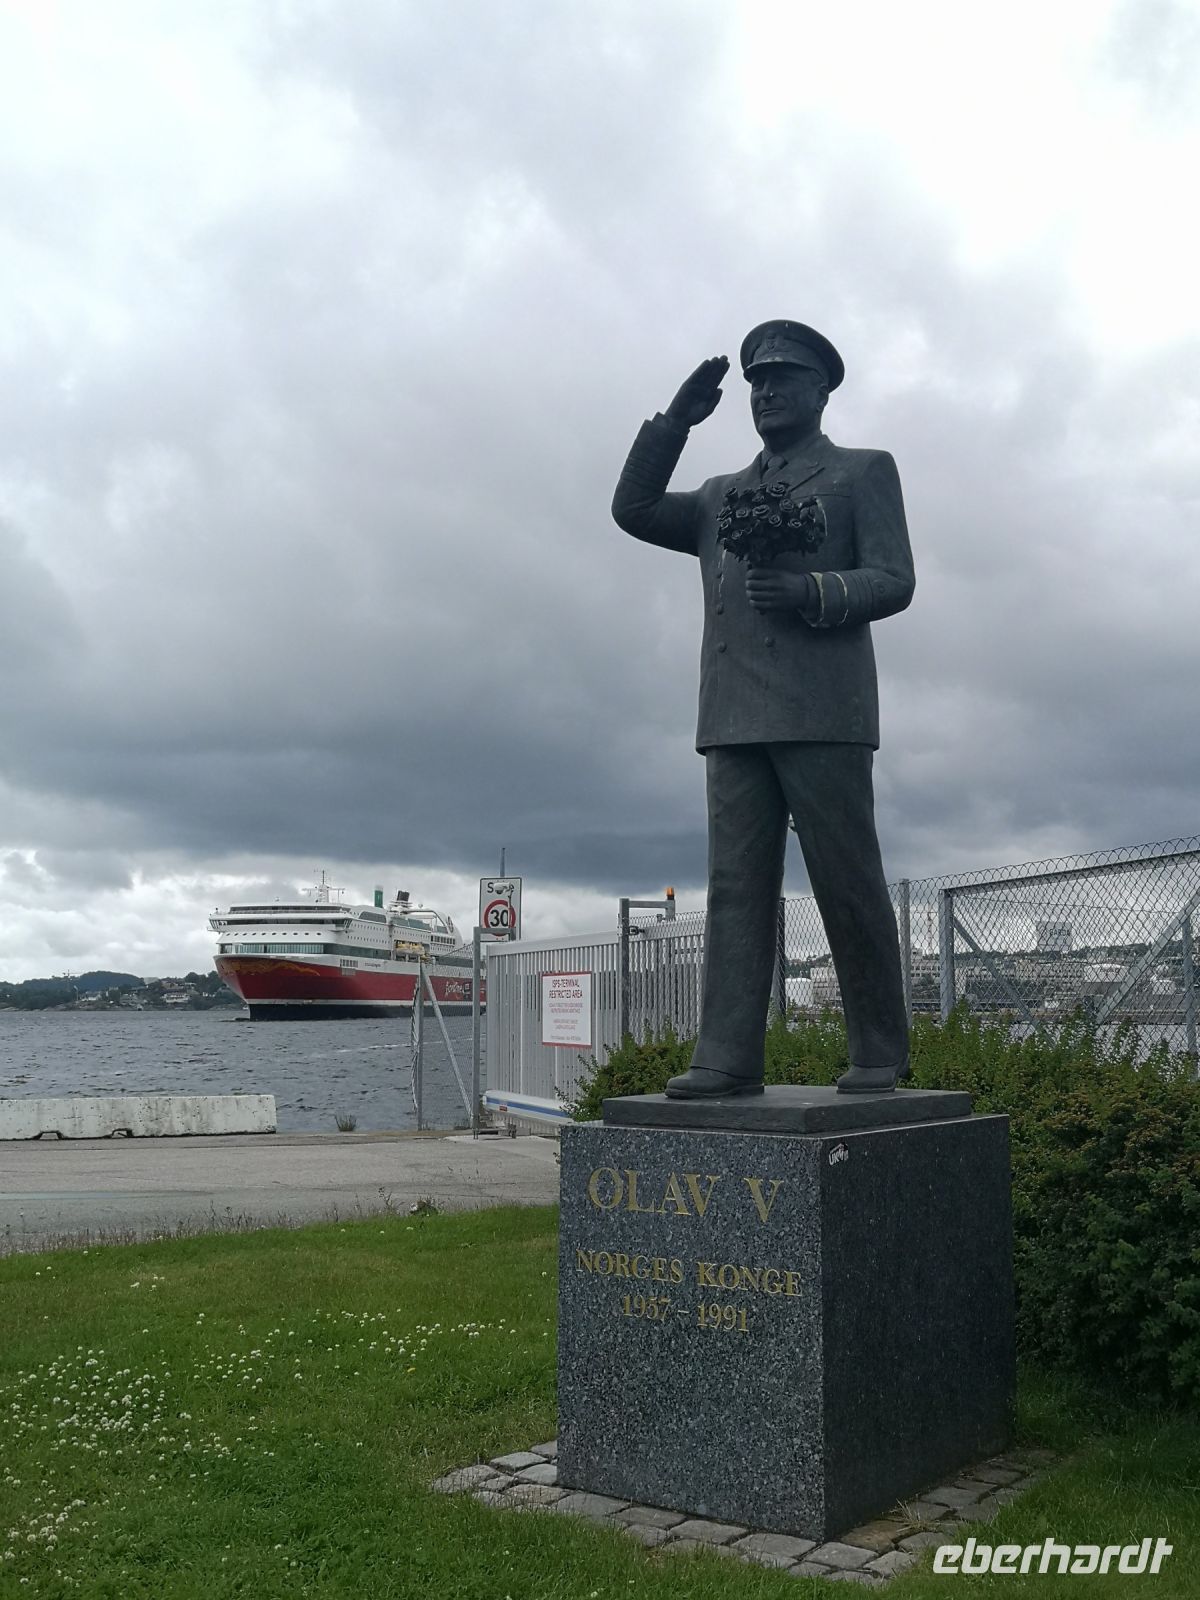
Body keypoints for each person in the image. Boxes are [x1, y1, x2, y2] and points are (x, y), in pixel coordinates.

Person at [611, 320, 915, 1096]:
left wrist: (812, 591)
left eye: (783, 379)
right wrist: (674, 423)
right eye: (756, 382)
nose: (767, 392)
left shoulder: (861, 471)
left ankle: (880, 1049)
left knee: (846, 880)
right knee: (736, 889)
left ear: (820, 391)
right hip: (733, 716)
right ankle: (727, 1054)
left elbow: (894, 578)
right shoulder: (719, 496)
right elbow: (634, 508)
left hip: (823, 713)